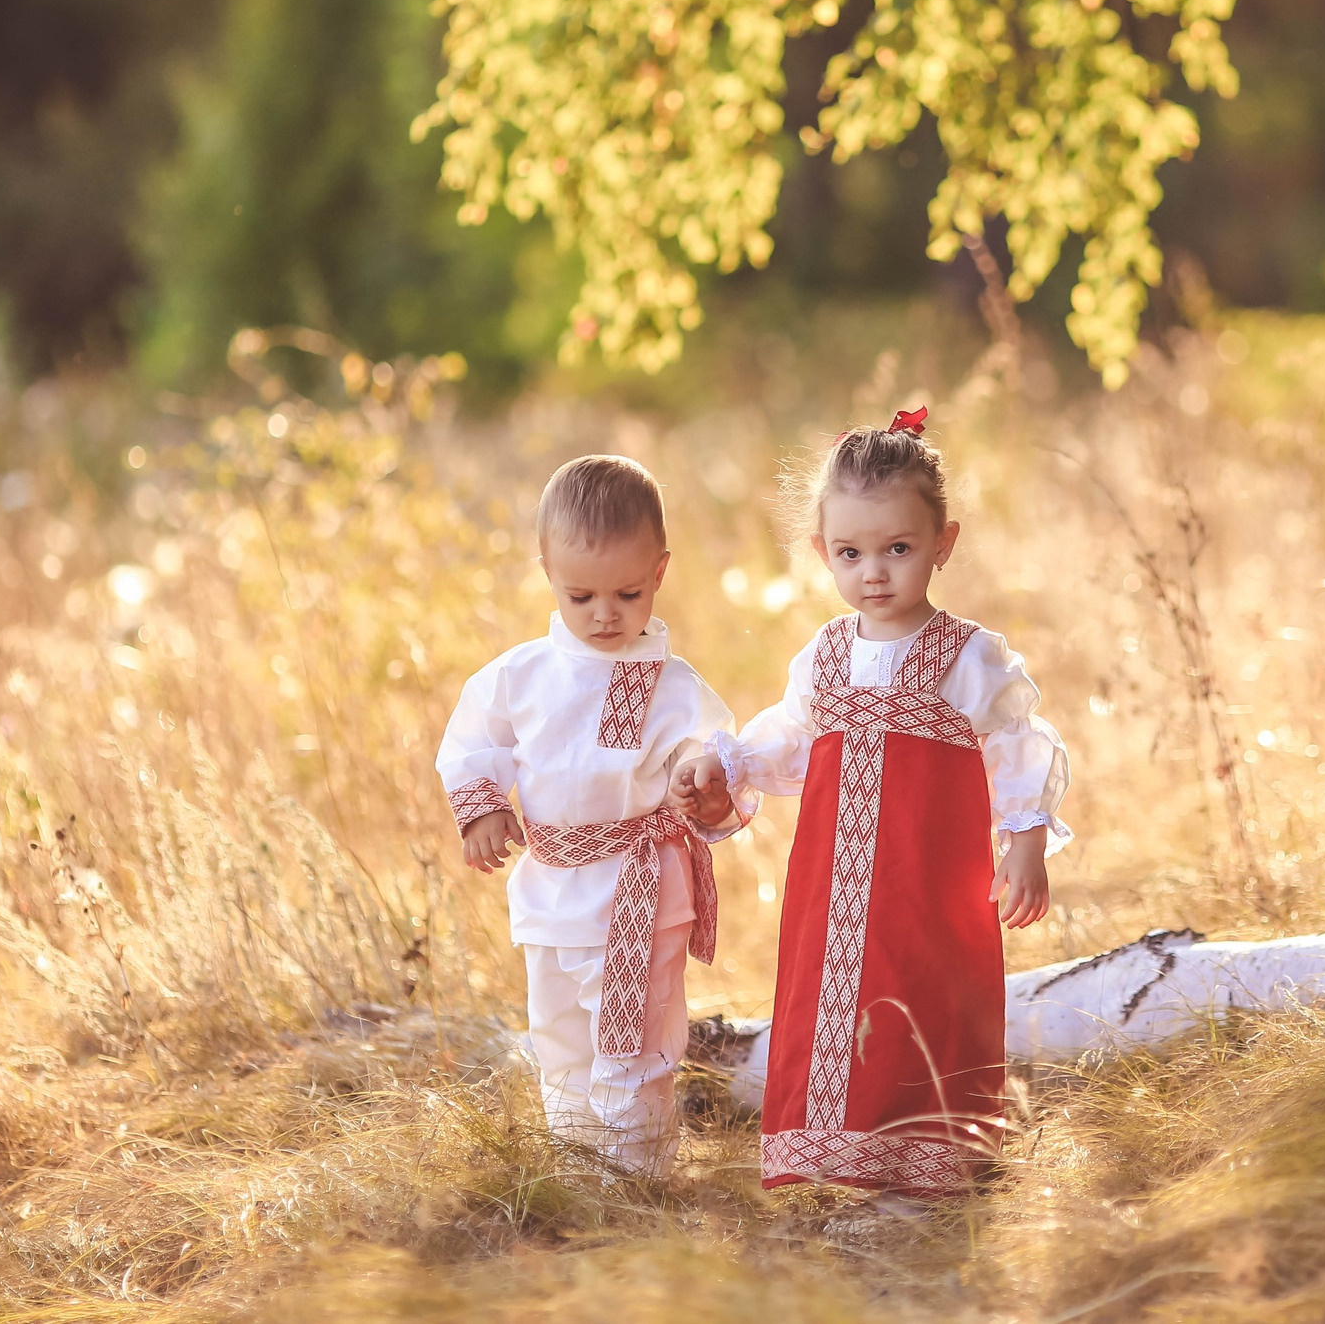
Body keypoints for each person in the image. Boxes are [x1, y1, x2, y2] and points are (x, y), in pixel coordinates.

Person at [674, 407, 1069, 1201]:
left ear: (941, 543)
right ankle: (835, 1154)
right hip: (835, 883)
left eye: (898, 548)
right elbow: (786, 737)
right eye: (851, 553)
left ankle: (931, 1159)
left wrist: (1024, 841)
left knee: (927, 991)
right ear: (823, 551)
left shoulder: (969, 656)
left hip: (928, 877)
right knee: (832, 993)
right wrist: (723, 765)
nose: (875, 572)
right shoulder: (825, 655)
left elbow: (1018, 744)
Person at [438, 454, 742, 1174]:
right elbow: (474, 740)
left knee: (633, 1042)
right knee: (560, 1036)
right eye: (581, 595)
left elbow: (711, 751)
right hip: (551, 891)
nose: (605, 613)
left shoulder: (672, 685)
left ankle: (635, 1173)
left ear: (659, 572)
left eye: (627, 593)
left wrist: (703, 783)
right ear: (547, 570)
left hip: (637, 889)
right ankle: (577, 1164)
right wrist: (483, 808)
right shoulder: (520, 675)